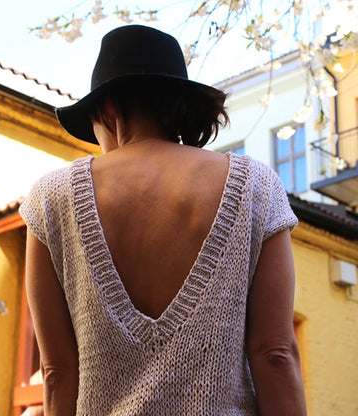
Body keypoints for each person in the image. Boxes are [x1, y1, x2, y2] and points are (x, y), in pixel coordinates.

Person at [20, 25, 307, 415]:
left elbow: (57, 372)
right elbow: (275, 353)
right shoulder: (255, 187)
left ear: (108, 110)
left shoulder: (50, 199)